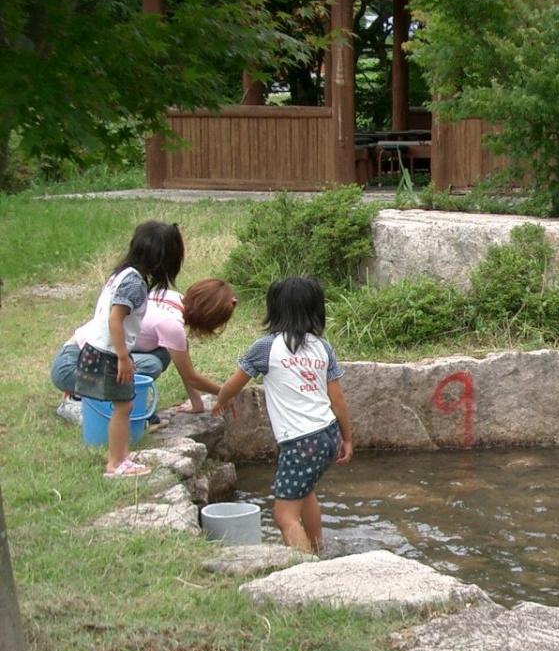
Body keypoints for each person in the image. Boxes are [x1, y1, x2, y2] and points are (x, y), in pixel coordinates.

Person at [212, 277, 353, 554]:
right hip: (327, 434)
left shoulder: (266, 347)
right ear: (316, 310)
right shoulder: (323, 348)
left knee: (284, 516)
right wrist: (347, 438)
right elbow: (337, 399)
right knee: (305, 491)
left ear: (274, 309)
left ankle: (306, 572)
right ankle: (317, 551)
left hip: (301, 441)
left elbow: (234, 383)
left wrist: (221, 400)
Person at [72, 220, 183, 478]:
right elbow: (115, 319)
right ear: (161, 259)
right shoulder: (135, 284)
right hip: (109, 353)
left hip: (98, 348)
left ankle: (120, 456)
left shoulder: (121, 274)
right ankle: (116, 463)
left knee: (124, 405)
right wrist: (123, 357)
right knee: (123, 407)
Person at [51, 277, 238, 422]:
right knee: (151, 365)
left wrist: (197, 404)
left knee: (163, 354)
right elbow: (191, 376)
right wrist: (225, 392)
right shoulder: (171, 324)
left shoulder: (170, 297)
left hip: (85, 356)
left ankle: (94, 394)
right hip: (71, 367)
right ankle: (79, 400)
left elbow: (183, 358)